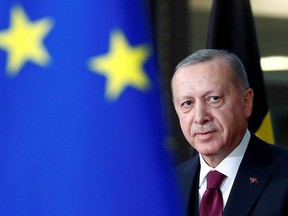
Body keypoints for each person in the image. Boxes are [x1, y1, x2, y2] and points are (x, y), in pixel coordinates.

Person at [171, 49, 288, 216]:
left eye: (214, 99)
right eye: (187, 103)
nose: (199, 117)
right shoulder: (168, 187)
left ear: (246, 102)